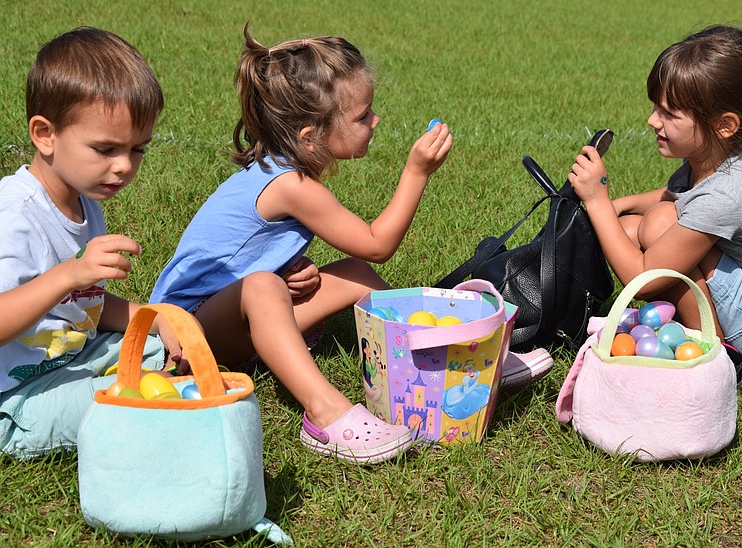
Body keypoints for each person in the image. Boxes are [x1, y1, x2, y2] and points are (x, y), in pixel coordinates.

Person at [150, 25, 453, 465]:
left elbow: (246, 251)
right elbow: (377, 243)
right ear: (310, 136)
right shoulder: (292, 185)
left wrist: (290, 268)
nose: (376, 121)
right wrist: (417, 172)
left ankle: (426, 359)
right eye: (363, 115)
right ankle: (326, 415)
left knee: (355, 275)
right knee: (261, 287)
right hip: (184, 337)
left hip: (222, 320)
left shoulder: (281, 168)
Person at [568, 25, 742, 374]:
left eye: (669, 114)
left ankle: (719, 359)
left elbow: (644, 277)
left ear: (725, 125)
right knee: (631, 228)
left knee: (660, 223)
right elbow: (676, 197)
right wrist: (616, 208)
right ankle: (695, 334)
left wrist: (597, 201)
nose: (652, 121)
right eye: (655, 108)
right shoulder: (715, 157)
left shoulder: (728, 191)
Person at [0, 27, 182, 459]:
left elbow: (86, 305)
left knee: (165, 350)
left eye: (138, 149)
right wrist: (69, 273)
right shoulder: (15, 216)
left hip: (71, 358)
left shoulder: (84, 200)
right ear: (45, 134)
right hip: (17, 397)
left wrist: (152, 317)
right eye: (105, 148)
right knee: (135, 396)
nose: (124, 166)